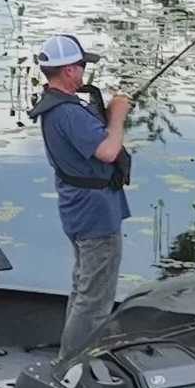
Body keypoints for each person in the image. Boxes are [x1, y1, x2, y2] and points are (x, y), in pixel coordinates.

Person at [32, 32, 131, 367]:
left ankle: (73, 359)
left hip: (78, 208)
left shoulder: (58, 107)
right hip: (95, 213)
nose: (83, 71)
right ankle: (71, 367)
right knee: (95, 298)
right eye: (80, 65)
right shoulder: (69, 113)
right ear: (69, 70)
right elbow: (107, 150)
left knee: (82, 286)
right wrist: (117, 114)